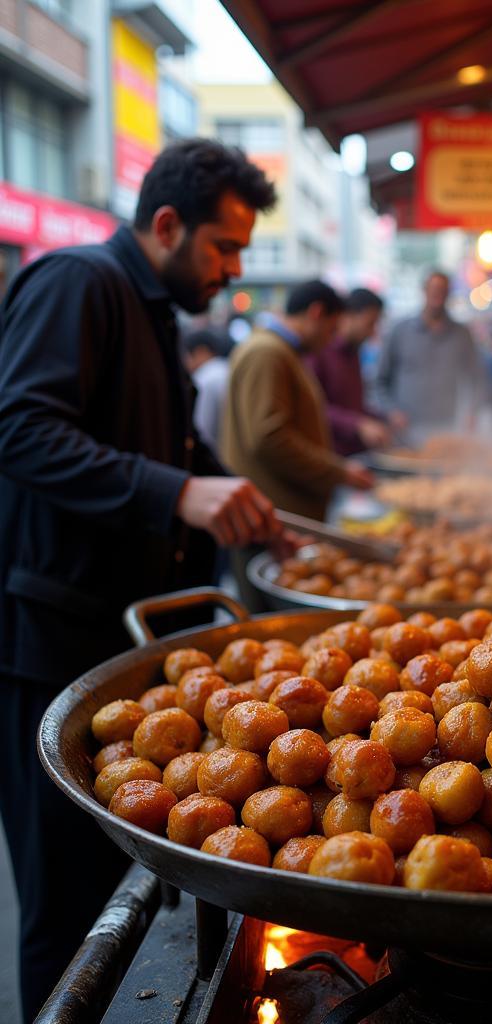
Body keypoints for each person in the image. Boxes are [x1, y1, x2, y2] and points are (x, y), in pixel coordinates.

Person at [0, 137, 283, 1022]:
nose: (232, 269)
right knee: (70, 904)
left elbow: (165, 449)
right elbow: (22, 430)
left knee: (104, 886)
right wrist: (180, 491)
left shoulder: (153, 305)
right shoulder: (78, 282)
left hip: (118, 639)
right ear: (167, 224)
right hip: (48, 638)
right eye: (223, 247)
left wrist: (226, 491)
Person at [221, 280, 374, 522]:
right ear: (316, 313)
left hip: (282, 512)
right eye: (331, 329)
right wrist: (337, 471)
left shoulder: (283, 351)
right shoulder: (268, 353)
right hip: (272, 515)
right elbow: (268, 438)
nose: (330, 340)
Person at [376, 270, 483, 441]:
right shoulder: (400, 331)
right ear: (424, 291)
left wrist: (472, 411)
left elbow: (477, 378)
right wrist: (391, 411)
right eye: (434, 290)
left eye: (443, 290)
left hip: (447, 427)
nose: (438, 295)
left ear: (449, 293)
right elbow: (380, 381)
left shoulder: (461, 334)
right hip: (405, 430)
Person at [304, 287, 398, 456]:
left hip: (356, 456)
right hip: (330, 457)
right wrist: (359, 425)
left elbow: (353, 406)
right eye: (370, 323)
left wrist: (385, 418)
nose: (372, 332)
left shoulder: (354, 353)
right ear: (348, 316)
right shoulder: (320, 351)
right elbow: (313, 409)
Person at [183, 325, 234, 456]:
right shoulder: (226, 369)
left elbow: (204, 429)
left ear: (201, 352)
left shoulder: (205, 378)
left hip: (219, 456)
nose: (185, 363)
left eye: (188, 356)